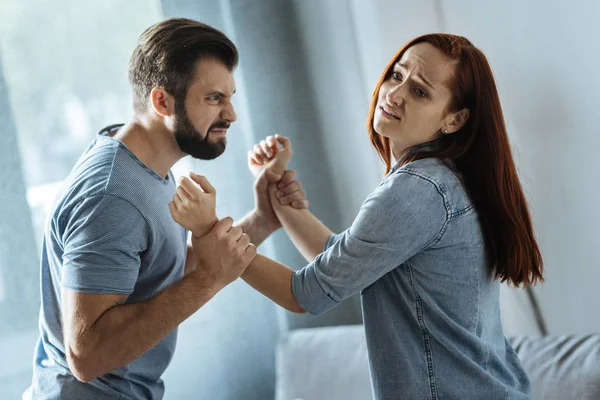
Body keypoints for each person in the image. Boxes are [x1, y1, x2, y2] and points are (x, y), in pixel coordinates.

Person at [173, 34, 544, 399]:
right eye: (397, 75)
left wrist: (210, 230)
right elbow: (341, 259)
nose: (394, 94)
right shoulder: (440, 180)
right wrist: (279, 197)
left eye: (419, 92)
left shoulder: (416, 190)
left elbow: (305, 294)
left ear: (454, 119)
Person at [23, 18, 307, 400]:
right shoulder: (113, 196)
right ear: (162, 101)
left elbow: (156, 272)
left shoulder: (144, 165)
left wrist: (261, 220)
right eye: (213, 98)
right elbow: (86, 356)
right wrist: (208, 281)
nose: (231, 115)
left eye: (230, 96)